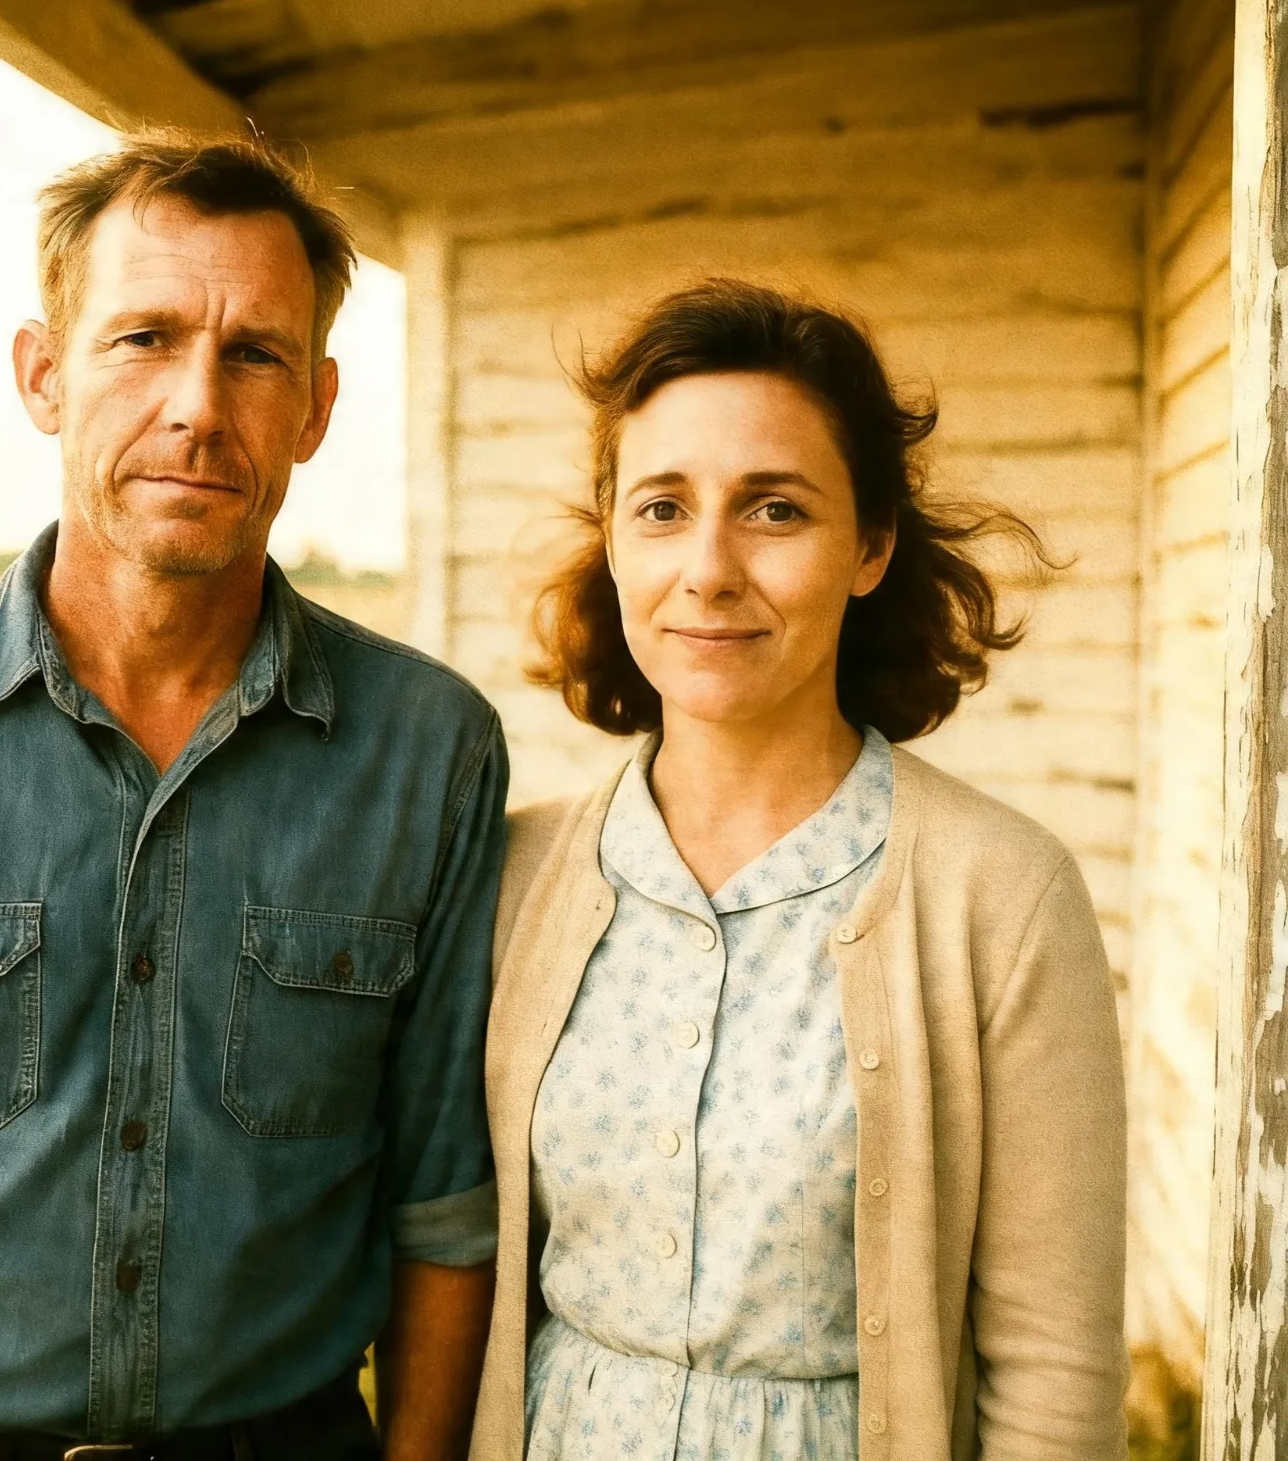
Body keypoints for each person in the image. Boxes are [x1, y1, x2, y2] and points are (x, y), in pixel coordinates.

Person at [0, 132, 506, 1461]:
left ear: (317, 406)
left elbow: (442, 1213)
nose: (198, 402)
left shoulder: (429, 753)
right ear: (43, 375)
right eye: (143, 338)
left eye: (256, 354)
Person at [471, 281, 1128, 1460]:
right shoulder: (516, 876)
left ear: (870, 544)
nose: (709, 568)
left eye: (773, 509)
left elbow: (1052, 1369)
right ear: (612, 536)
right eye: (662, 508)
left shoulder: (1002, 897)